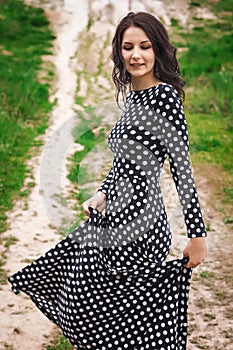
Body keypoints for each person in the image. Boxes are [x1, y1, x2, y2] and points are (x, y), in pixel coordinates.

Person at [9, 12, 207, 349]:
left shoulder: (165, 99)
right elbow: (126, 163)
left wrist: (197, 234)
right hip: (111, 217)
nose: (136, 54)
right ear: (119, 52)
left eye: (145, 46)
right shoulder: (134, 98)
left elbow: (181, 169)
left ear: (157, 50)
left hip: (142, 225)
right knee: (90, 304)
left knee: (125, 316)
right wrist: (102, 192)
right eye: (127, 47)